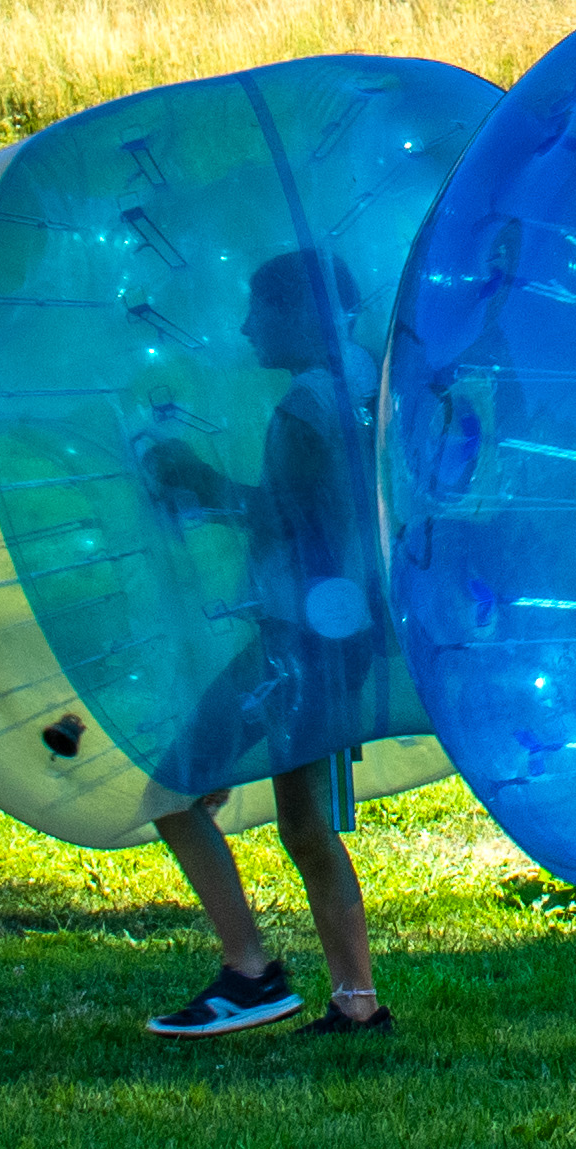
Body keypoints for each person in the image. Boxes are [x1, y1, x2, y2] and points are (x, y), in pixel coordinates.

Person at [131, 249, 396, 1043]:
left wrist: (200, 483)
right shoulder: (359, 383)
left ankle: (251, 974)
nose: (247, 325)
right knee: (305, 822)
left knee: (172, 791)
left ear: (302, 314)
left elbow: (303, 525)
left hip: (299, 639)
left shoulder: (307, 410)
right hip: (337, 633)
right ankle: (357, 1001)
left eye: (261, 308)